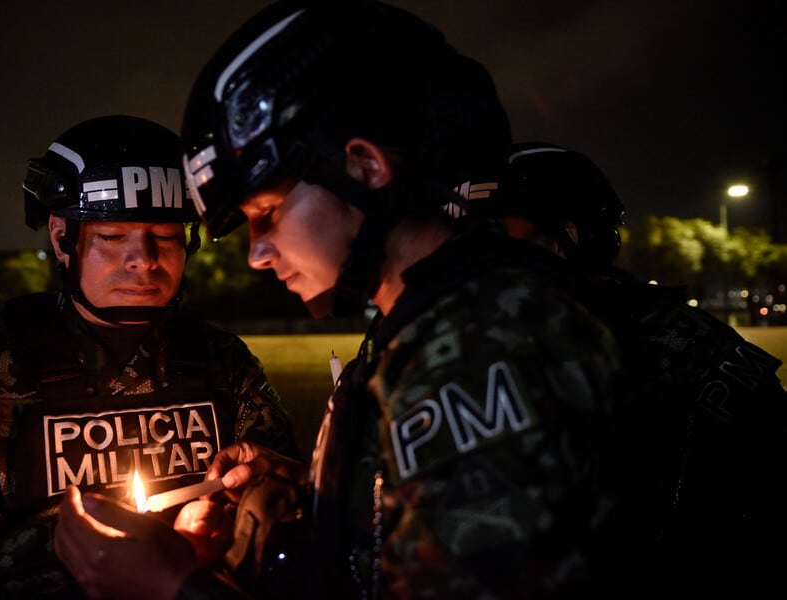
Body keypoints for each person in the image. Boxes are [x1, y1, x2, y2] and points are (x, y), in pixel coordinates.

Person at [53, 2, 649, 598]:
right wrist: (322, 490)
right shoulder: (431, 318)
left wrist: (173, 586)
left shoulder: (482, 349)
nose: (258, 254)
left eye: (267, 213)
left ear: (365, 167)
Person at [0, 115, 299, 597]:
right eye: (112, 235)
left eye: (165, 236)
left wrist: (227, 532)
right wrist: (71, 549)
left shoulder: (223, 363)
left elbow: (289, 514)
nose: (143, 258)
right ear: (63, 238)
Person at [451, 141, 787, 597]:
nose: (467, 263)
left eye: (491, 239)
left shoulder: (677, 342)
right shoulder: (460, 342)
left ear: (563, 239)